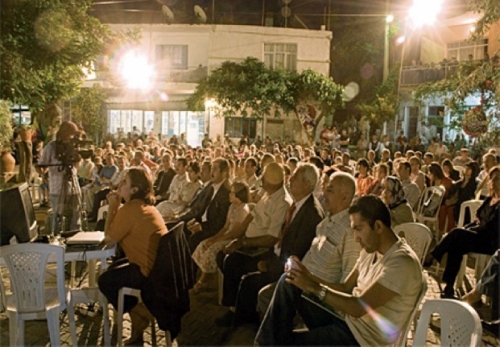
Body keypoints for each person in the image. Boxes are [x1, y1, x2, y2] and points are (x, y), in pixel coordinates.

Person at [255, 195, 423, 346]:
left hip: (361, 340)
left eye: (358, 229)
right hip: (345, 322)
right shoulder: (370, 251)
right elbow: (344, 288)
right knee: (289, 280)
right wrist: (306, 276)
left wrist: (313, 287)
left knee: (281, 342)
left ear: (378, 226)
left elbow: (359, 308)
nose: (356, 238)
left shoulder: (401, 263)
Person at [218, 163, 324, 326]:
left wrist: (269, 265)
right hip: (275, 254)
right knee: (230, 260)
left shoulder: (311, 213)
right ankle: (237, 312)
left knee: (246, 278)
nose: (290, 179)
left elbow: (297, 252)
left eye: (295, 177)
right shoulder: (298, 204)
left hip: (283, 265)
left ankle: (244, 321)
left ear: (307, 185)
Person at [256, 171, 361, 323]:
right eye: (325, 188)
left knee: (267, 296)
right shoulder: (326, 223)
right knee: (266, 293)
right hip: (302, 284)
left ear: (345, 197)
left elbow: (346, 287)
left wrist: (311, 283)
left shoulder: (350, 232)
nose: (324, 193)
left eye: (330, 190)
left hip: (316, 296)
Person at [98, 167, 168, 344]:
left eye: (125, 182)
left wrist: (113, 205)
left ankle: (143, 314)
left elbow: (108, 239)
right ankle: (138, 322)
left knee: (105, 280)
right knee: (114, 267)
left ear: (135, 189)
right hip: (157, 268)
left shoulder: (129, 209)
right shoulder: (143, 207)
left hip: (147, 273)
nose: (120, 185)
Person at [425, 166, 500, 299]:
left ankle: (433, 255)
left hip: (491, 241)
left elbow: (491, 227)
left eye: (498, 179)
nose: (494, 181)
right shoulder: (489, 200)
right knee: (456, 246)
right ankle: (449, 287)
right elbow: (479, 218)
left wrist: (474, 227)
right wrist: (474, 227)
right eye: (493, 179)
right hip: (478, 235)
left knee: (457, 233)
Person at [191, 181, 251, 293]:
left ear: (239, 195)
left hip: (232, 239)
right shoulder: (232, 207)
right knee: (203, 244)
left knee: (211, 250)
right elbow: (225, 227)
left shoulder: (243, 210)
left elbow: (235, 233)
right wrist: (213, 238)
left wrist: (216, 241)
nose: (229, 194)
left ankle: (202, 282)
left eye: (232, 193)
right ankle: (207, 276)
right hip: (225, 235)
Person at [37, 121, 82, 233]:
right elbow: (41, 165)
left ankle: (76, 235)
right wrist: (44, 173)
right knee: (58, 215)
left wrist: (77, 159)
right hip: (57, 187)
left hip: (73, 186)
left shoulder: (74, 146)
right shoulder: (51, 147)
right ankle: (57, 236)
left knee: (76, 213)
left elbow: (77, 165)